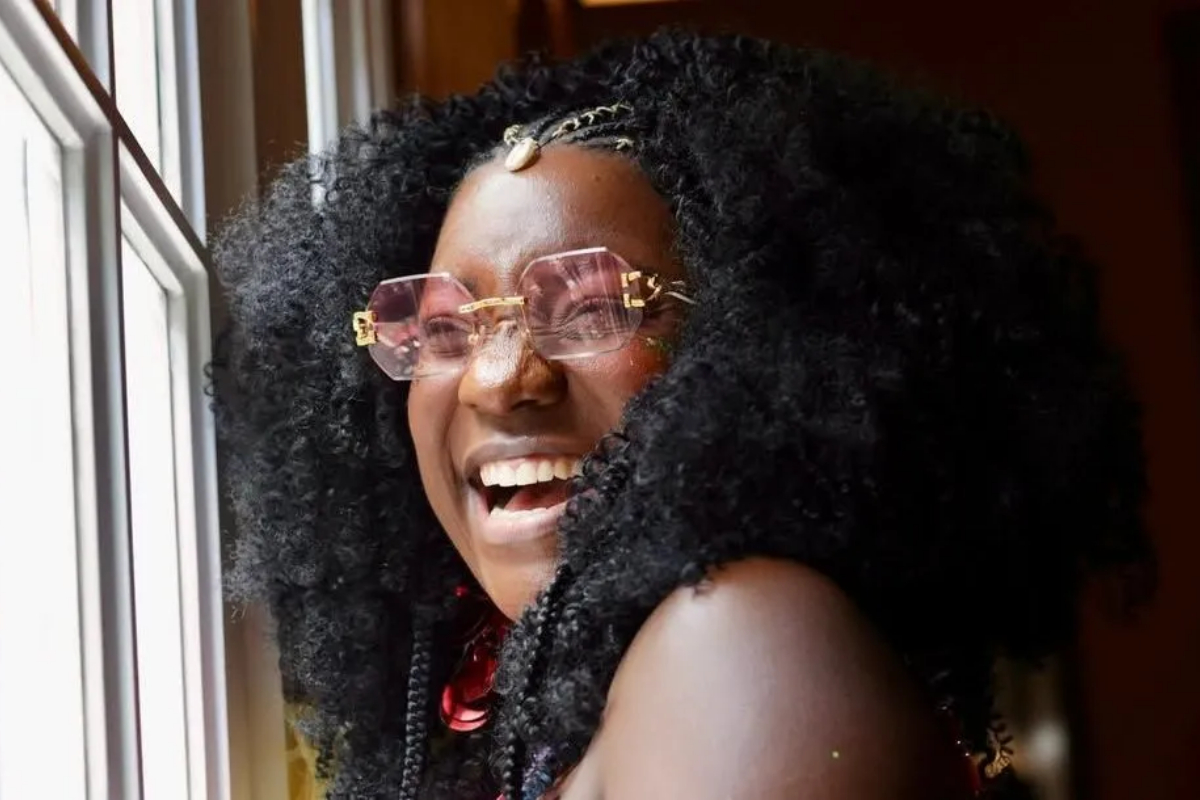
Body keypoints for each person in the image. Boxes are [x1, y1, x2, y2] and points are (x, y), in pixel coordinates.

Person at [213, 30, 1152, 800]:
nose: (498, 381)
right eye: (445, 326)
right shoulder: (606, 691)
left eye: (591, 307)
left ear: (767, 344)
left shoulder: (742, 642)